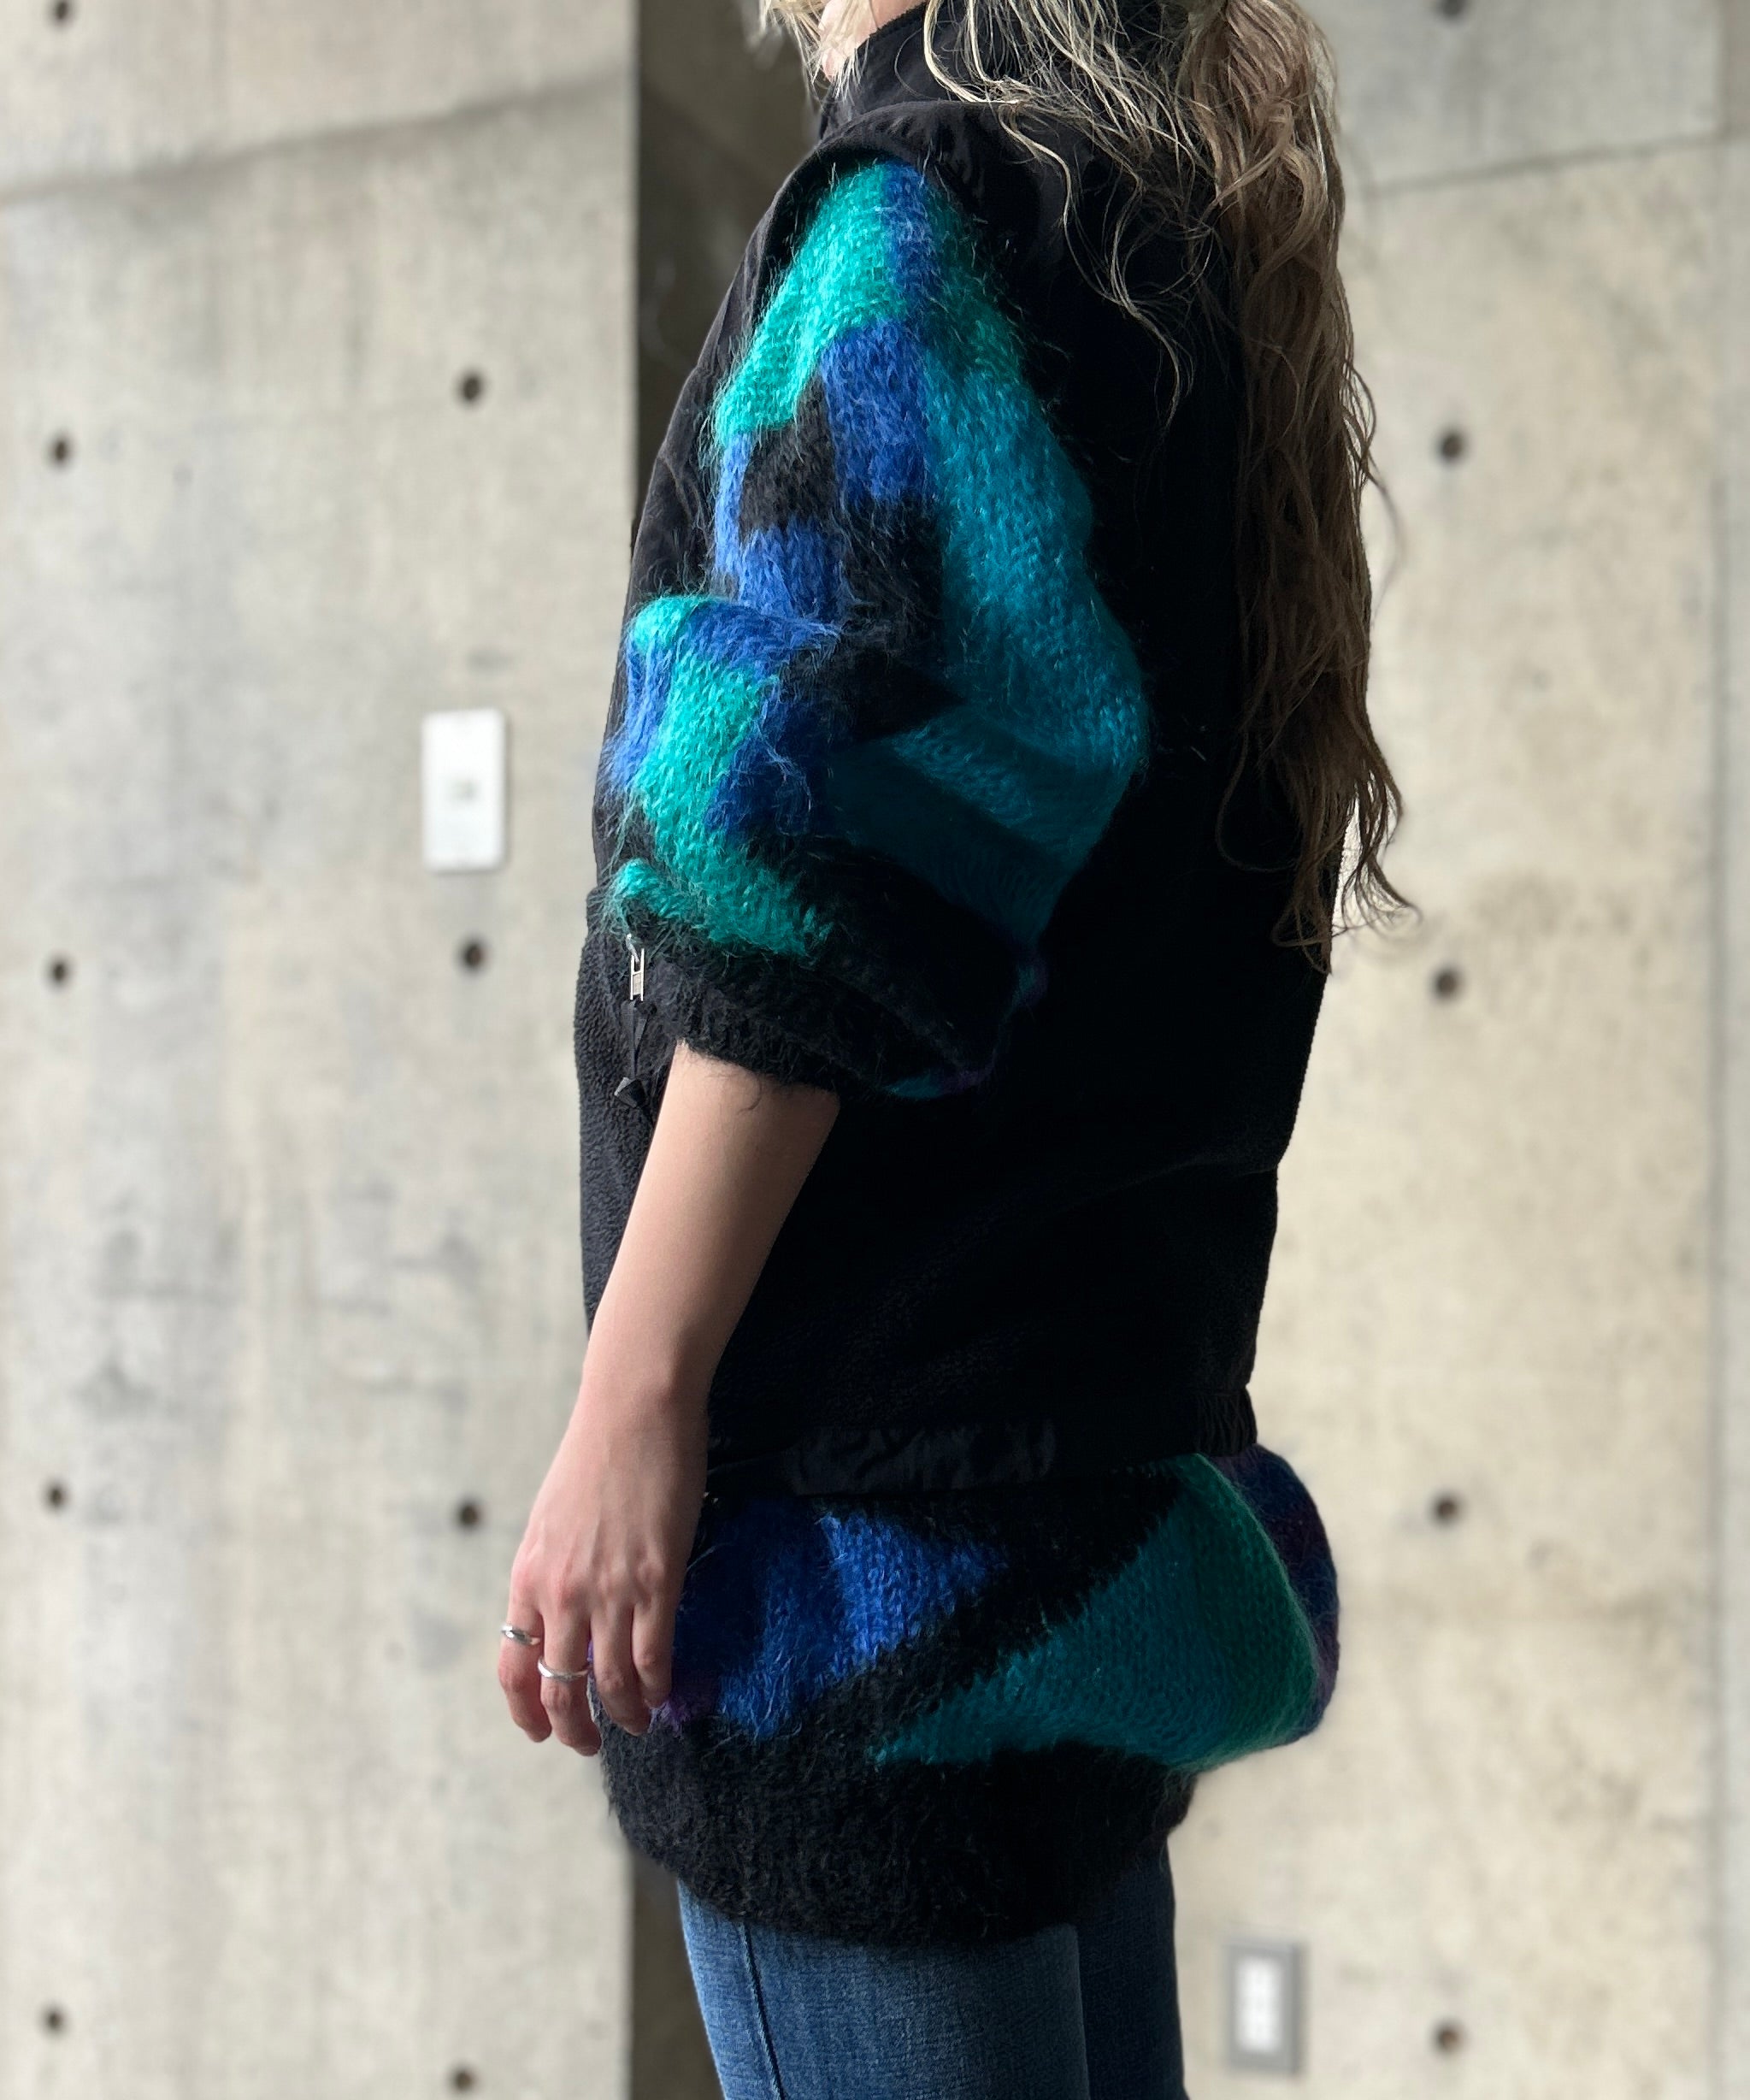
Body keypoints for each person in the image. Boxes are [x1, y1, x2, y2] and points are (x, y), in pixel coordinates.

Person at [498, 0, 1403, 2091]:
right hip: (1059, 1531)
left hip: (860, 1570)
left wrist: (637, 1395)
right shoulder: (1150, 237)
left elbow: (809, 862)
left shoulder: (928, 215)